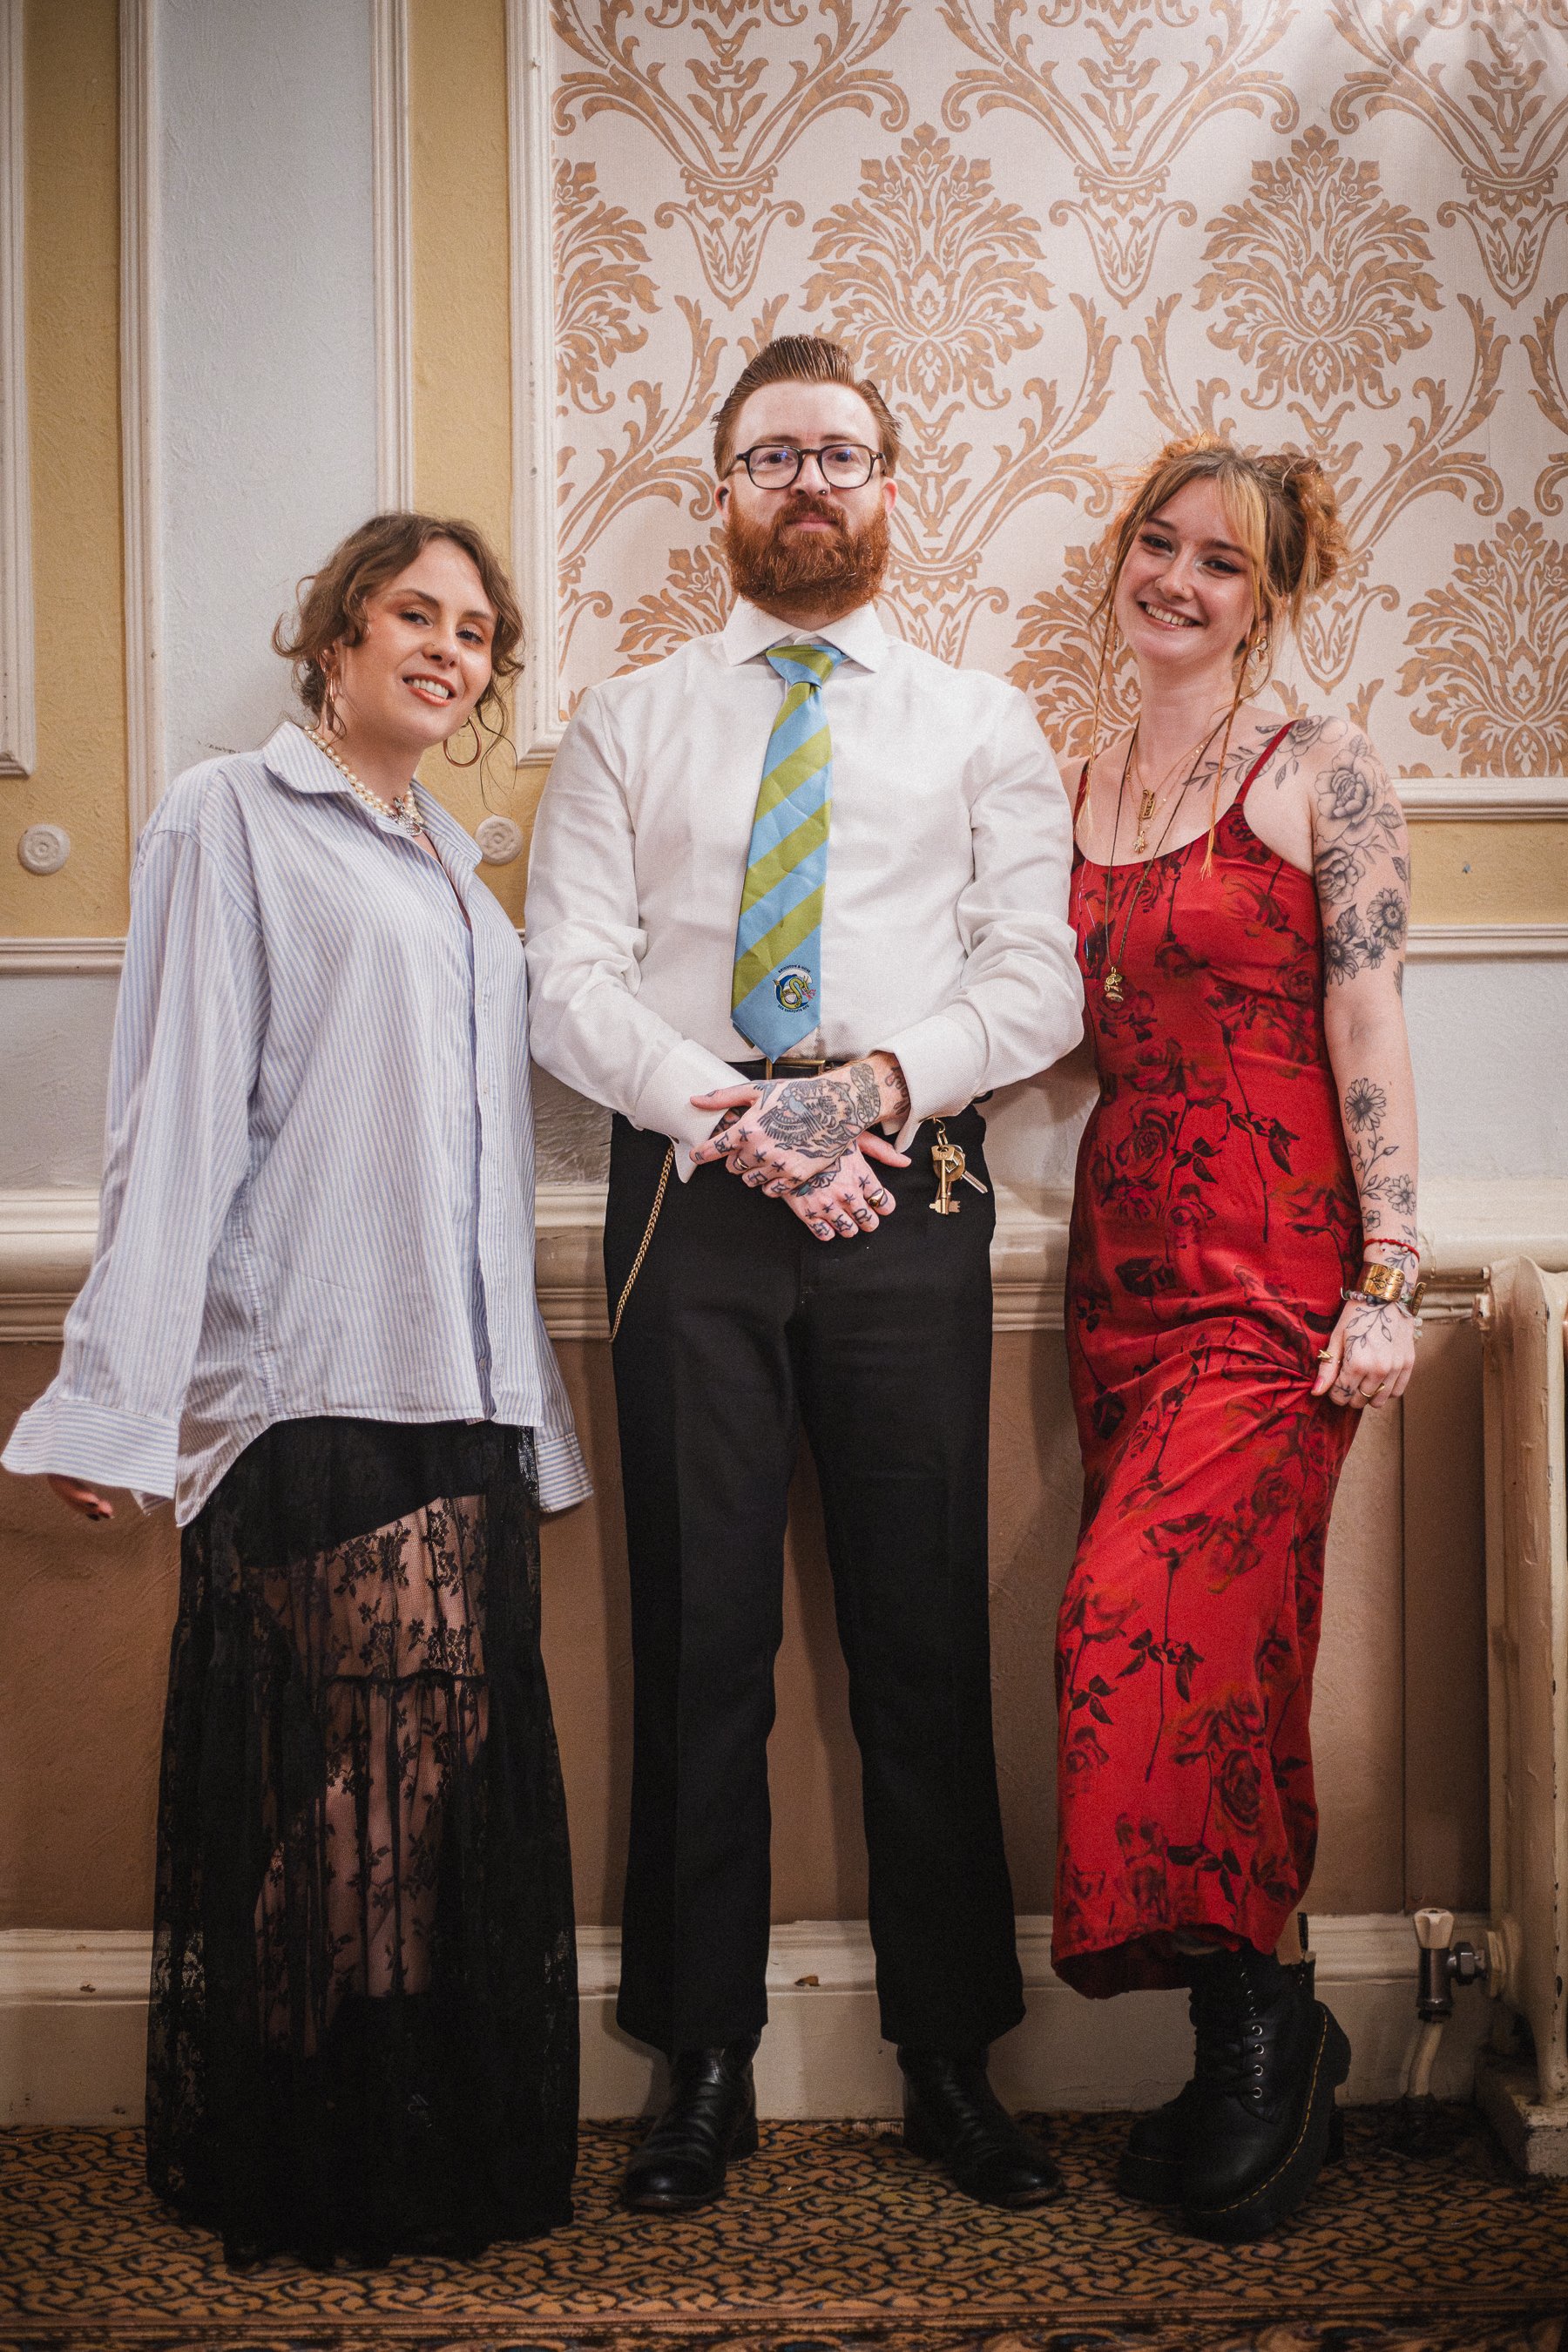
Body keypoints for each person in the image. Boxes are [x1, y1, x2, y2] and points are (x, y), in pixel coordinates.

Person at [525, 335, 1083, 2213]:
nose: (810, 483)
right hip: (687, 1191)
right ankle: (699, 2063)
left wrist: (857, 1099)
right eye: (775, 456)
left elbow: (1035, 980)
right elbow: (569, 982)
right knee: (702, 1640)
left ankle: (952, 2060)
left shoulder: (981, 722)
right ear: (724, 496)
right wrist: (739, 1116)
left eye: (842, 453)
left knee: (921, 1633)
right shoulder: (626, 721)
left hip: (910, 1184)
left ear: (892, 490)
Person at [3, 514, 588, 2267]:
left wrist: (532, 1412)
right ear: (336, 639)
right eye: (414, 613)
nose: (449, 648)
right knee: (358, 1775)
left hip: (459, 1382)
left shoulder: (455, 875)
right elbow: (173, 1115)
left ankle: (369, 2121)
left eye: (476, 631)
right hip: (320, 1376)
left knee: (420, 1774)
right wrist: (117, 1394)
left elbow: (479, 1165)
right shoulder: (229, 818)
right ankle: (289, 2133)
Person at [1056, 434, 1420, 2240]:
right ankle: (1254, 2034)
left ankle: (1265, 2013)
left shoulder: (1320, 767)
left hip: (1277, 1281)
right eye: (1161, 543)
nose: (1179, 581)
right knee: (1227, 1661)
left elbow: (1369, 1015)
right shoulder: (1077, 779)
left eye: (1224, 564)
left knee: (1130, 1622)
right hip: (1118, 1280)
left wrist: (1394, 1269)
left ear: (1267, 602)